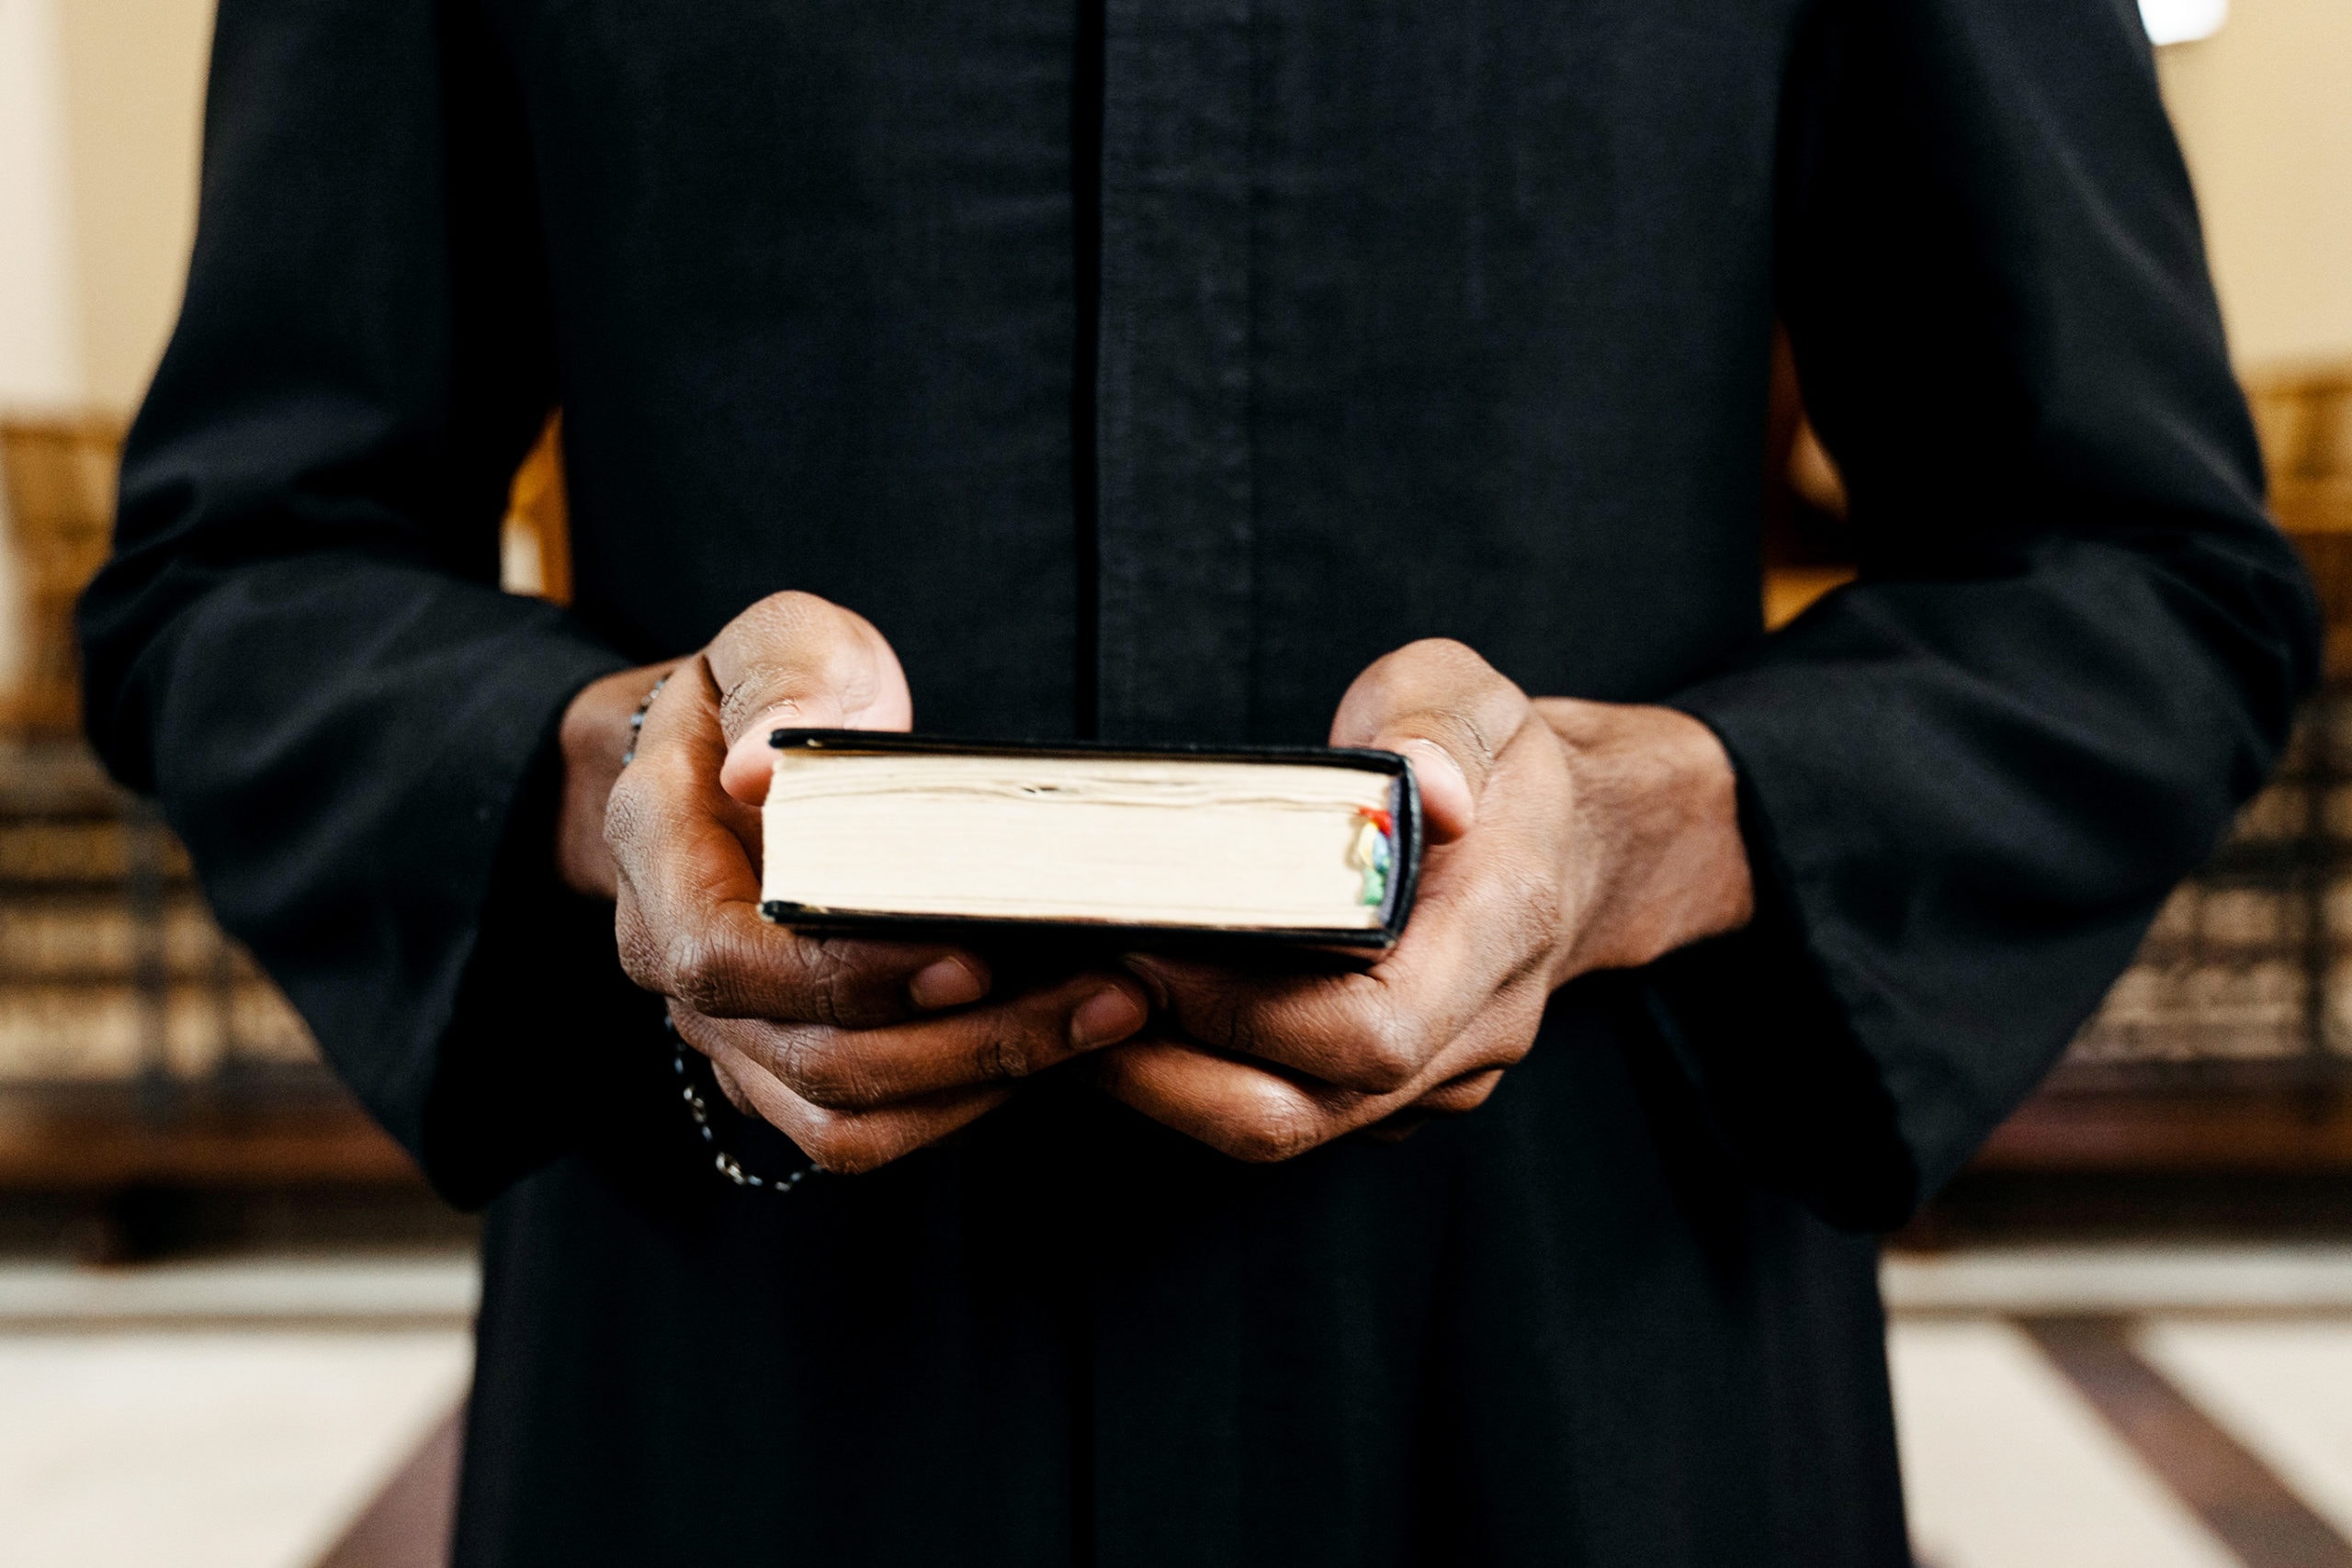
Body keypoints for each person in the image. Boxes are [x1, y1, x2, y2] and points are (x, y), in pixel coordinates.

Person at [77, 0, 2316, 1560]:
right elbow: (245, 568)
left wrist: (1637, 825)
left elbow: (2131, 573)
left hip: (1565, 1373)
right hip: (757, 1375)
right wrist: (614, 787)